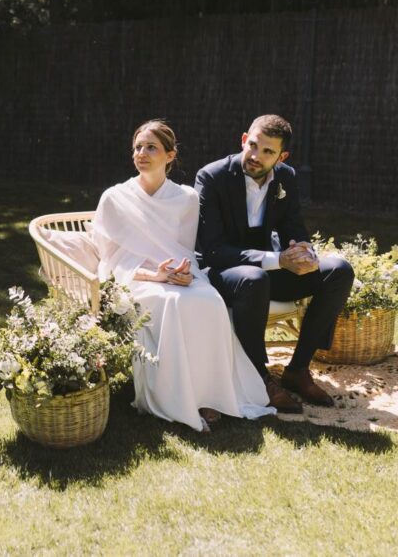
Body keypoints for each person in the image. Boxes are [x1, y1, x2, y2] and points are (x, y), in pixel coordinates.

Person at [92, 120, 275, 432]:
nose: (142, 153)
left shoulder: (187, 198)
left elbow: (185, 251)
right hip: (134, 279)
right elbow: (110, 258)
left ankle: (210, 395)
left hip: (172, 276)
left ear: (170, 155)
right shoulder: (114, 197)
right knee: (172, 305)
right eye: (138, 147)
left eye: (151, 147)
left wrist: (183, 272)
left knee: (208, 300)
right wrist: (154, 276)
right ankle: (178, 399)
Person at [194, 114, 354, 411]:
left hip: (268, 270)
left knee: (338, 271)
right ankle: (259, 378)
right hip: (223, 272)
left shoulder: (286, 177)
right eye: (253, 145)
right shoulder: (211, 177)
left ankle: (297, 370)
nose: (256, 156)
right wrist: (277, 259)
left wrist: (303, 254)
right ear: (244, 139)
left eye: (268, 152)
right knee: (254, 278)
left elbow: (294, 228)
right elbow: (213, 249)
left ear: (282, 156)